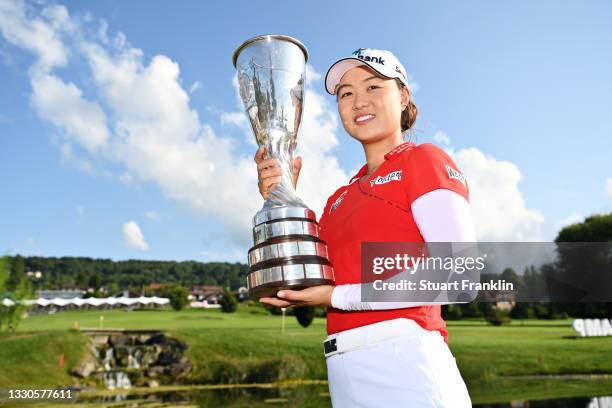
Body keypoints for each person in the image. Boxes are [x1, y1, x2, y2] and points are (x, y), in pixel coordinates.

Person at [255, 48, 474, 407]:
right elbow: (307, 278)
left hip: (405, 361)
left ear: (403, 97)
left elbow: (460, 277)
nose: (359, 101)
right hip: (343, 369)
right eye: (346, 93)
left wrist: (336, 297)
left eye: (373, 87)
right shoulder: (339, 199)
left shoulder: (424, 160)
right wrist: (280, 196)